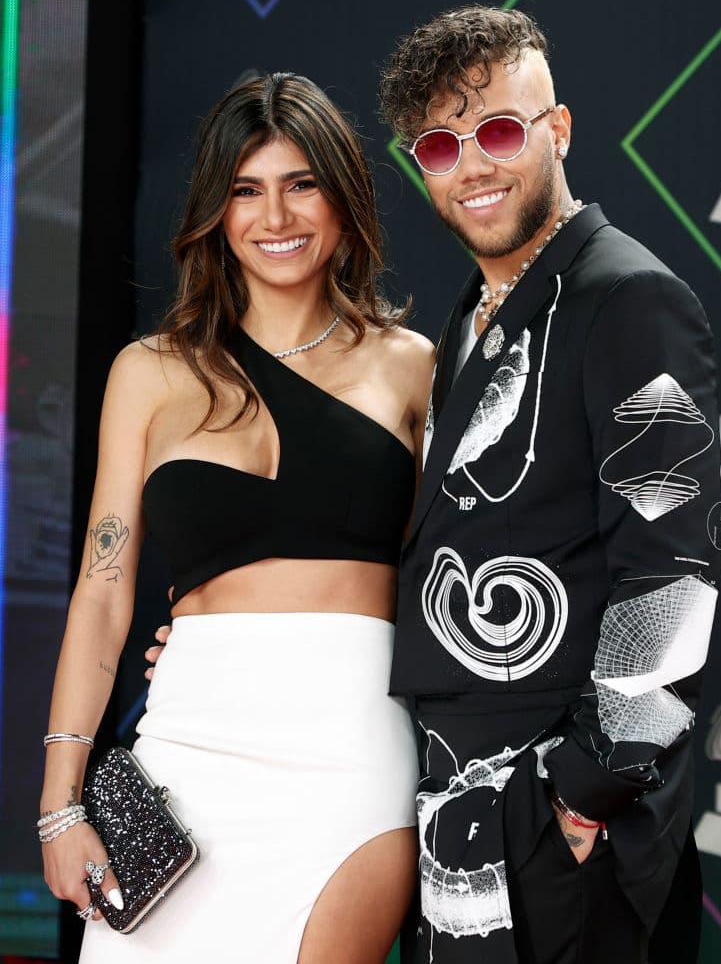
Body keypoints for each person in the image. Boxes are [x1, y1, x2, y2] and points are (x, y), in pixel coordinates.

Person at [39, 71, 434, 963]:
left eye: (301, 184)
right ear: (216, 211)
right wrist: (61, 803)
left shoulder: (413, 367)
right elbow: (102, 596)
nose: (275, 216)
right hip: (185, 753)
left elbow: (450, 577)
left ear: (342, 197)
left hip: (349, 755)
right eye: (246, 190)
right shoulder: (149, 372)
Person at [375, 6, 721, 963]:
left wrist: (581, 794)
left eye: (497, 131)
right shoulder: (471, 316)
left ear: (556, 130)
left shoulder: (629, 297)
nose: (471, 166)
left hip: (560, 827)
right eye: (439, 146)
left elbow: (672, 576)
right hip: (461, 811)